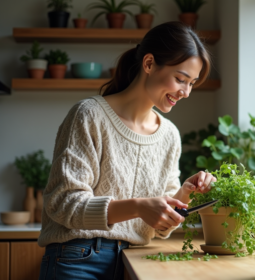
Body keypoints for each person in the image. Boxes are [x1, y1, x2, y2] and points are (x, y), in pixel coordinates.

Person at [37, 21, 216, 280]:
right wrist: (139, 206)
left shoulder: (169, 135)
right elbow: (63, 204)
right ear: (149, 64)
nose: (186, 92)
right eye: (180, 79)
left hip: (134, 262)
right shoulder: (89, 115)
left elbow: (160, 229)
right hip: (77, 258)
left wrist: (184, 194)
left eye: (192, 84)